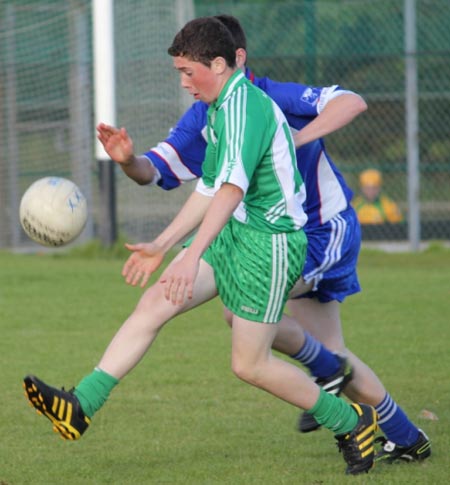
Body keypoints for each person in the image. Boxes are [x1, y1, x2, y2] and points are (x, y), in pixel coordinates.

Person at [23, 17, 378, 476]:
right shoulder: (218, 107)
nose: (185, 83)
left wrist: (190, 257)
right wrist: (162, 244)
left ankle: (352, 421)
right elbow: (209, 190)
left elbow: (230, 191)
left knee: (250, 365)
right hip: (237, 233)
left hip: (268, 246)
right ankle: (81, 405)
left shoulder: (245, 108)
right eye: (179, 73)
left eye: (189, 72)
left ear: (220, 63)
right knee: (154, 303)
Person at [94, 15, 430, 464]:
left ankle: (326, 373)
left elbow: (352, 102)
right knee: (301, 339)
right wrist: (128, 159)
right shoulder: (208, 115)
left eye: (190, 71)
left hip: (321, 230)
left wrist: (298, 137)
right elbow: (156, 171)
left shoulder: (267, 98)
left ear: (233, 59)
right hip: (263, 234)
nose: (187, 83)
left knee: (246, 320)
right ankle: (403, 433)